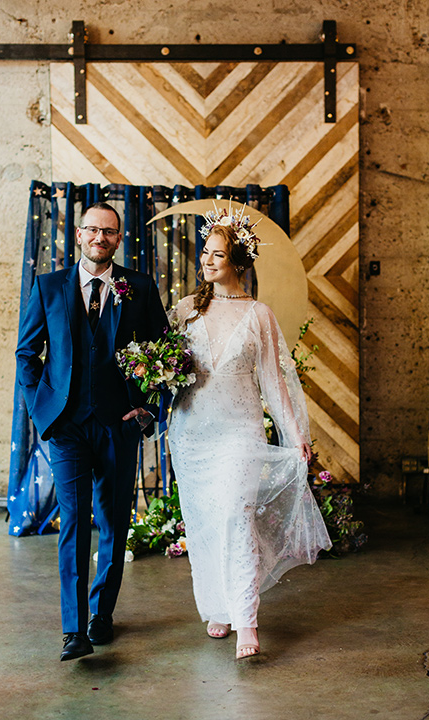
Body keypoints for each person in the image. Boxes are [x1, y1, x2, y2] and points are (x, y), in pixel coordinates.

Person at [168, 207, 331, 660]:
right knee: (205, 522)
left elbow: (276, 382)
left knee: (237, 516)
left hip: (240, 431)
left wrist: (294, 432)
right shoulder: (185, 309)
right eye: (205, 252)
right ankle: (216, 607)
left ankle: (247, 621)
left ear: (238, 260)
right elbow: (164, 367)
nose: (208, 260)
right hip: (192, 431)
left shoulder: (259, 315)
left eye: (218, 254)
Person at [16, 202, 168, 661]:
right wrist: (42, 410)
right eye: (92, 230)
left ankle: (102, 614)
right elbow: (27, 353)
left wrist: (146, 407)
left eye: (109, 231)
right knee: (75, 522)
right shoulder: (48, 287)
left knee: (114, 522)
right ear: (78, 235)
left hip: (118, 426)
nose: (100, 237)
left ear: (119, 239)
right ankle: (72, 629)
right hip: (66, 428)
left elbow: (164, 351)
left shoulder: (138, 287)